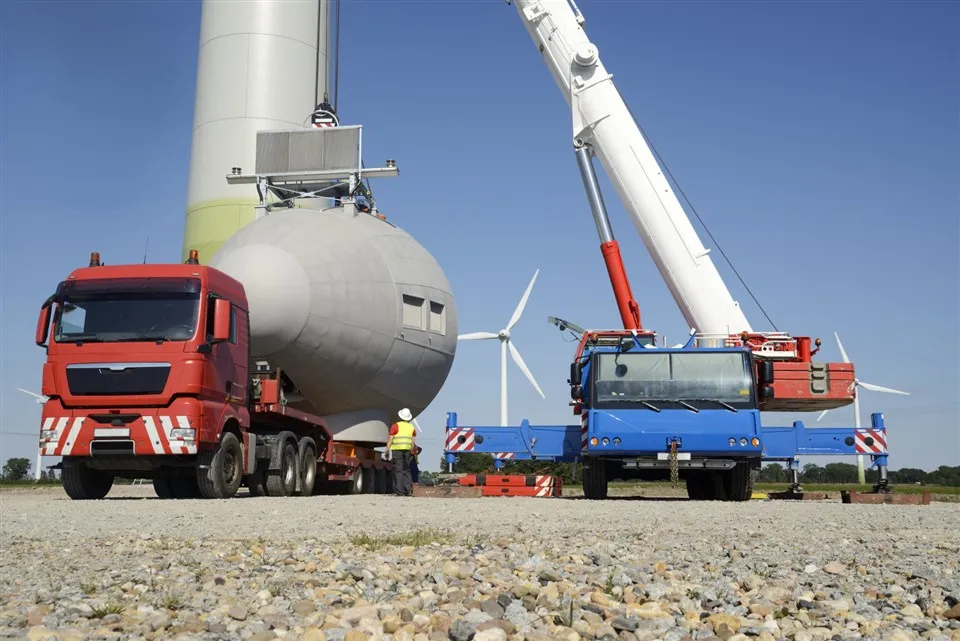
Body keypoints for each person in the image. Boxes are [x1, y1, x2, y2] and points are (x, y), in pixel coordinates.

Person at [386, 408, 417, 496]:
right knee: (407, 470)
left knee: (398, 470)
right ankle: (408, 491)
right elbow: (413, 441)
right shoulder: (411, 427)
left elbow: (391, 439)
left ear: (400, 416)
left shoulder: (395, 426)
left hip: (397, 450)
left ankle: (400, 491)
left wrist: (387, 450)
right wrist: (412, 450)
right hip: (407, 450)